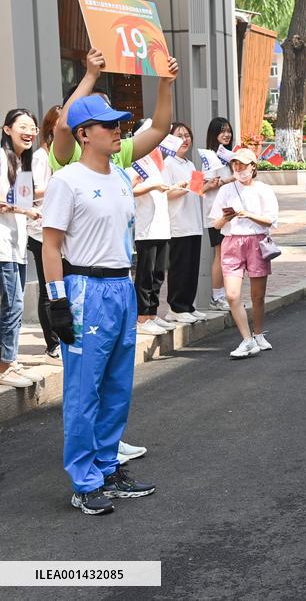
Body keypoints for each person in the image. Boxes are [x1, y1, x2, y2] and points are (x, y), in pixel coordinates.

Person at [42, 94, 158, 516]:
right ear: (83, 133)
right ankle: (83, 481)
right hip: (85, 291)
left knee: (116, 388)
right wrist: (57, 304)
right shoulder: (67, 180)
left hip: (121, 288)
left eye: (118, 124)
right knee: (83, 391)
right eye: (107, 125)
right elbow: (51, 247)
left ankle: (109, 469)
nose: (117, 130)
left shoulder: (123, 178)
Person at [210, 148, 279, 358]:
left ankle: (258, 334)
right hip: (231, 242)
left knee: (258, 296)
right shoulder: (226, 190)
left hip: (257, 241)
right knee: (232, 295)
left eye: (243, 164)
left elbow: (271, 220)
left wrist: (247, 214)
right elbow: (215, 223)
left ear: (253, 167)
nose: (239, 168)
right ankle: (247, 339)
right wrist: (227, 218)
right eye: (235, 164)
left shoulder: (264, 189)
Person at [1, 109, 42, 389]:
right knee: (12, 305)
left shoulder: (22, 163)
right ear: (7, 130)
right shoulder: (1, 159)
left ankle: (9, 361)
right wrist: (27, 213)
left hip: (17, 245)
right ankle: (6, 365)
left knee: (12, 304)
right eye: (23, 126)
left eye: (33, 128)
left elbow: (25, 201)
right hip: (3, 245)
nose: (29, 132)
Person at [130, 130, 176, 336]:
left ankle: (152, 313)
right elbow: (130, 189)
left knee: (158, 274)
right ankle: (142, 317)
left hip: (161, 227)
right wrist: (153, 185)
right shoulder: (136, 161)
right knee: (145, 275)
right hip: (145, 228)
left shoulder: (156, 162)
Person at [162, 122, 207, 323]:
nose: (184, 139)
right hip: (178, 223)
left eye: (187, 135)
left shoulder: (190, 164)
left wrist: (208, 185)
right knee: (179, 267)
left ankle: (188, 305)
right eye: (179, 135)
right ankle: (176, 307)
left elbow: (196, 191)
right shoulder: (167, 164)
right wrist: (188, 186)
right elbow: (167, 193)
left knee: (191, 267)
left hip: (194, 222)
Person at [27, 105, 61, 358]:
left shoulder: (62, 154)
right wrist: (59, 183)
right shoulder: (40, 156)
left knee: (59, 285)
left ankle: (61, 337)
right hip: (40, 231)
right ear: (50, 128)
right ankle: (52, 344)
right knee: (48, 289)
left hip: (59, 229)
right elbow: (31, 190)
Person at [202, 117, 236, 311]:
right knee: (220, 254)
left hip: (232, 213)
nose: (226, 134)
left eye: (228, 131)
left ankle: (226, 294)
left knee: (229, 255)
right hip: (215, 215)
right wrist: (228, 180)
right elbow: (200, 187)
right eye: (222, 131)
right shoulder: (208, 158)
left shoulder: (230, 157)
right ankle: (216, 297)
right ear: (214, 135)